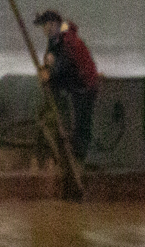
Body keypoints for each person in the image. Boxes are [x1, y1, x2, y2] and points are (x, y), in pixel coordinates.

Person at [35, 9, 99, 161]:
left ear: (58, 25)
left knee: (81, 124)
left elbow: (65, 63)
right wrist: (47, 70)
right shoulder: (53, 40)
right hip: (68, 84)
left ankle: (80, 160)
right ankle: (61, 151)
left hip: (84, 86)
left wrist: (51, 73)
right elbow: (53, 61)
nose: (48, 28)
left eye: (51, 24)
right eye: (45, 25)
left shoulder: (69, 40)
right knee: (58, 117)